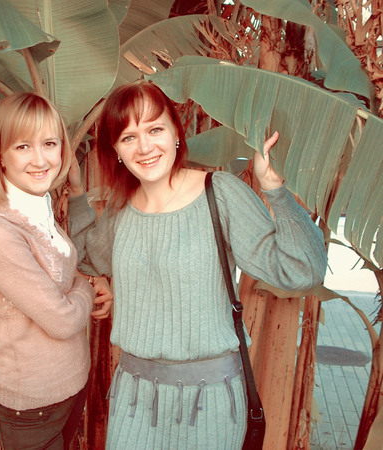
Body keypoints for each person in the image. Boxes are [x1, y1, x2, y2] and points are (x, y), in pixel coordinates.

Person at [67, 80, 327, 449]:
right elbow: (86, 258)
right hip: (134, 399)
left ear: (176, 132)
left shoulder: (219, 193)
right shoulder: (121, 207)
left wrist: (276, 191)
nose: (144, 147)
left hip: (211, 402)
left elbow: (303, 270)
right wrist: (77, 195)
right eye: (128, 137)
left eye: (155, 129)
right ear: (117, 151)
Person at [0, 92, 113, 450]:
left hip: (69, 387)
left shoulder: (36, 207)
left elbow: (65, 274)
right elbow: (62, 319)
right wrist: (88, 287)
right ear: (0, 155)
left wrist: (85, 280)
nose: (40, 159)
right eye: (23, 146)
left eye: (49, 143)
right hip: (31, 407)